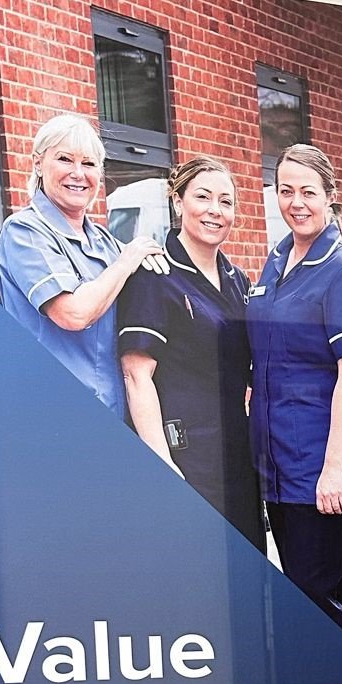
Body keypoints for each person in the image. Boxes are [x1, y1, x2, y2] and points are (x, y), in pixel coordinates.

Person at [246, 145, 342, 640]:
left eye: (308, 191)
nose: (296, 202)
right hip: (277, 463)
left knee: (315, 594)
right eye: (285, 190)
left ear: (331, 196)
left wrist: (332, 471)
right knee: (319, 592)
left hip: (318, 466)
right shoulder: (276, 260)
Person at [117, 156, 263, 548]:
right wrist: (162, 464)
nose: (215, 210)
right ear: (178, 201)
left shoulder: (238, 282)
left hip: (236, 454)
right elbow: (136, 375)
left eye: (226, 201)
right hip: (184, 455)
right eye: (203, 197)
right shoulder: (155, 275)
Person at [0, 113, 167, 417]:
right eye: (64, 159)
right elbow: (73, 314)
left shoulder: (102, 240)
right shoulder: (24, 231)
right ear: (38, 163)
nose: (78, 173)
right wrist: (128, 260)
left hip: (114, 416)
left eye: (88, 164)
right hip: (54, 416)